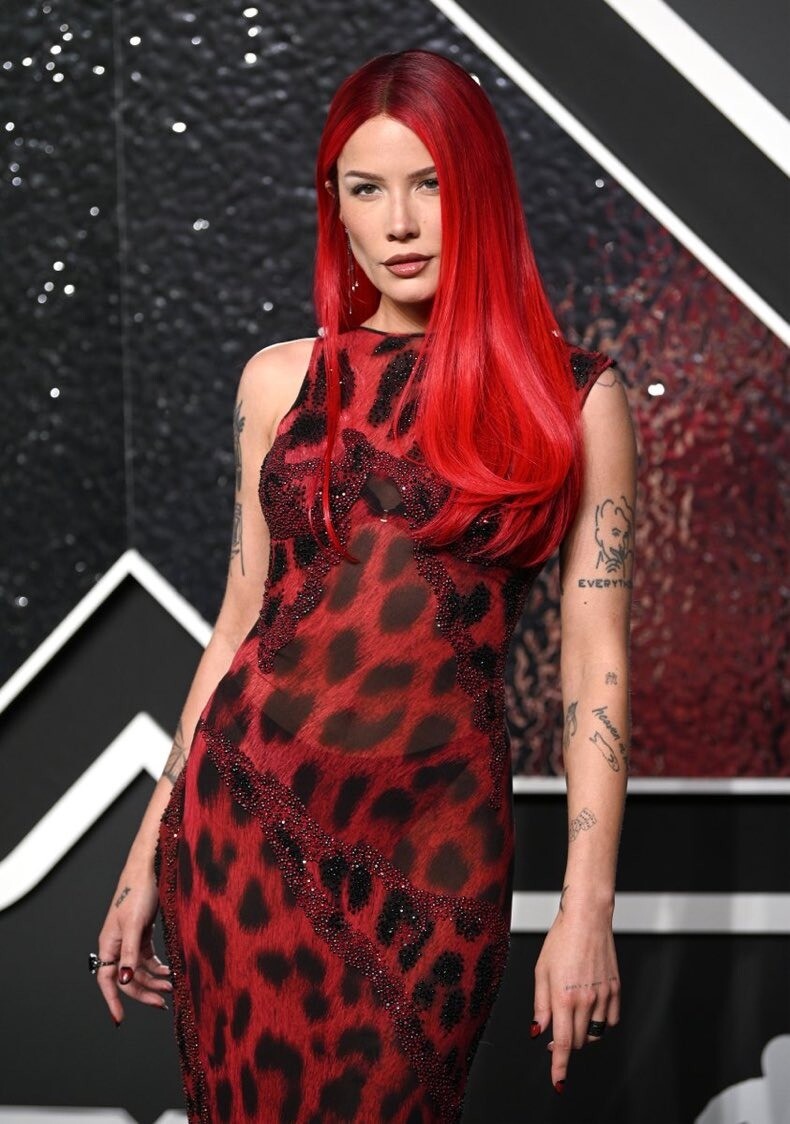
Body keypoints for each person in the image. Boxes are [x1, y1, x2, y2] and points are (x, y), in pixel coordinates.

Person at [93, 48, 635, 1123]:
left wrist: (587, 907)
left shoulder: (571, 397)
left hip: (436, 860)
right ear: (334, 207)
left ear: (480, 193)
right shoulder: (280, 381)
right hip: (243, 827)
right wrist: (147, 850)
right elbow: (237, 628)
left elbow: (595, 661)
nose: (400, 222)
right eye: (367, 188)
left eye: (429, 184)